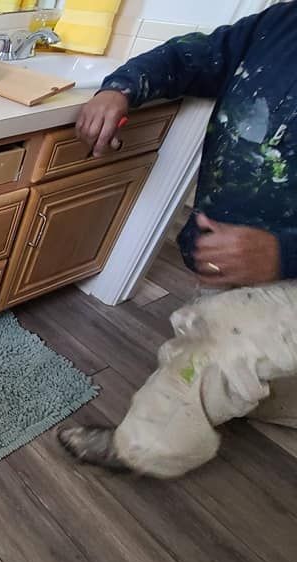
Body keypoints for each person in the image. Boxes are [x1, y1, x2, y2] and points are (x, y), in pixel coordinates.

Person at [57, 2, 297, 478]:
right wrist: (119, 87)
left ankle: (142, 447)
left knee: (211, 347)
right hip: (229, 257)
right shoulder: (280, 23)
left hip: (280, 266)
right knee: (251, 372)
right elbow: (191, 56)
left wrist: (283, 253)